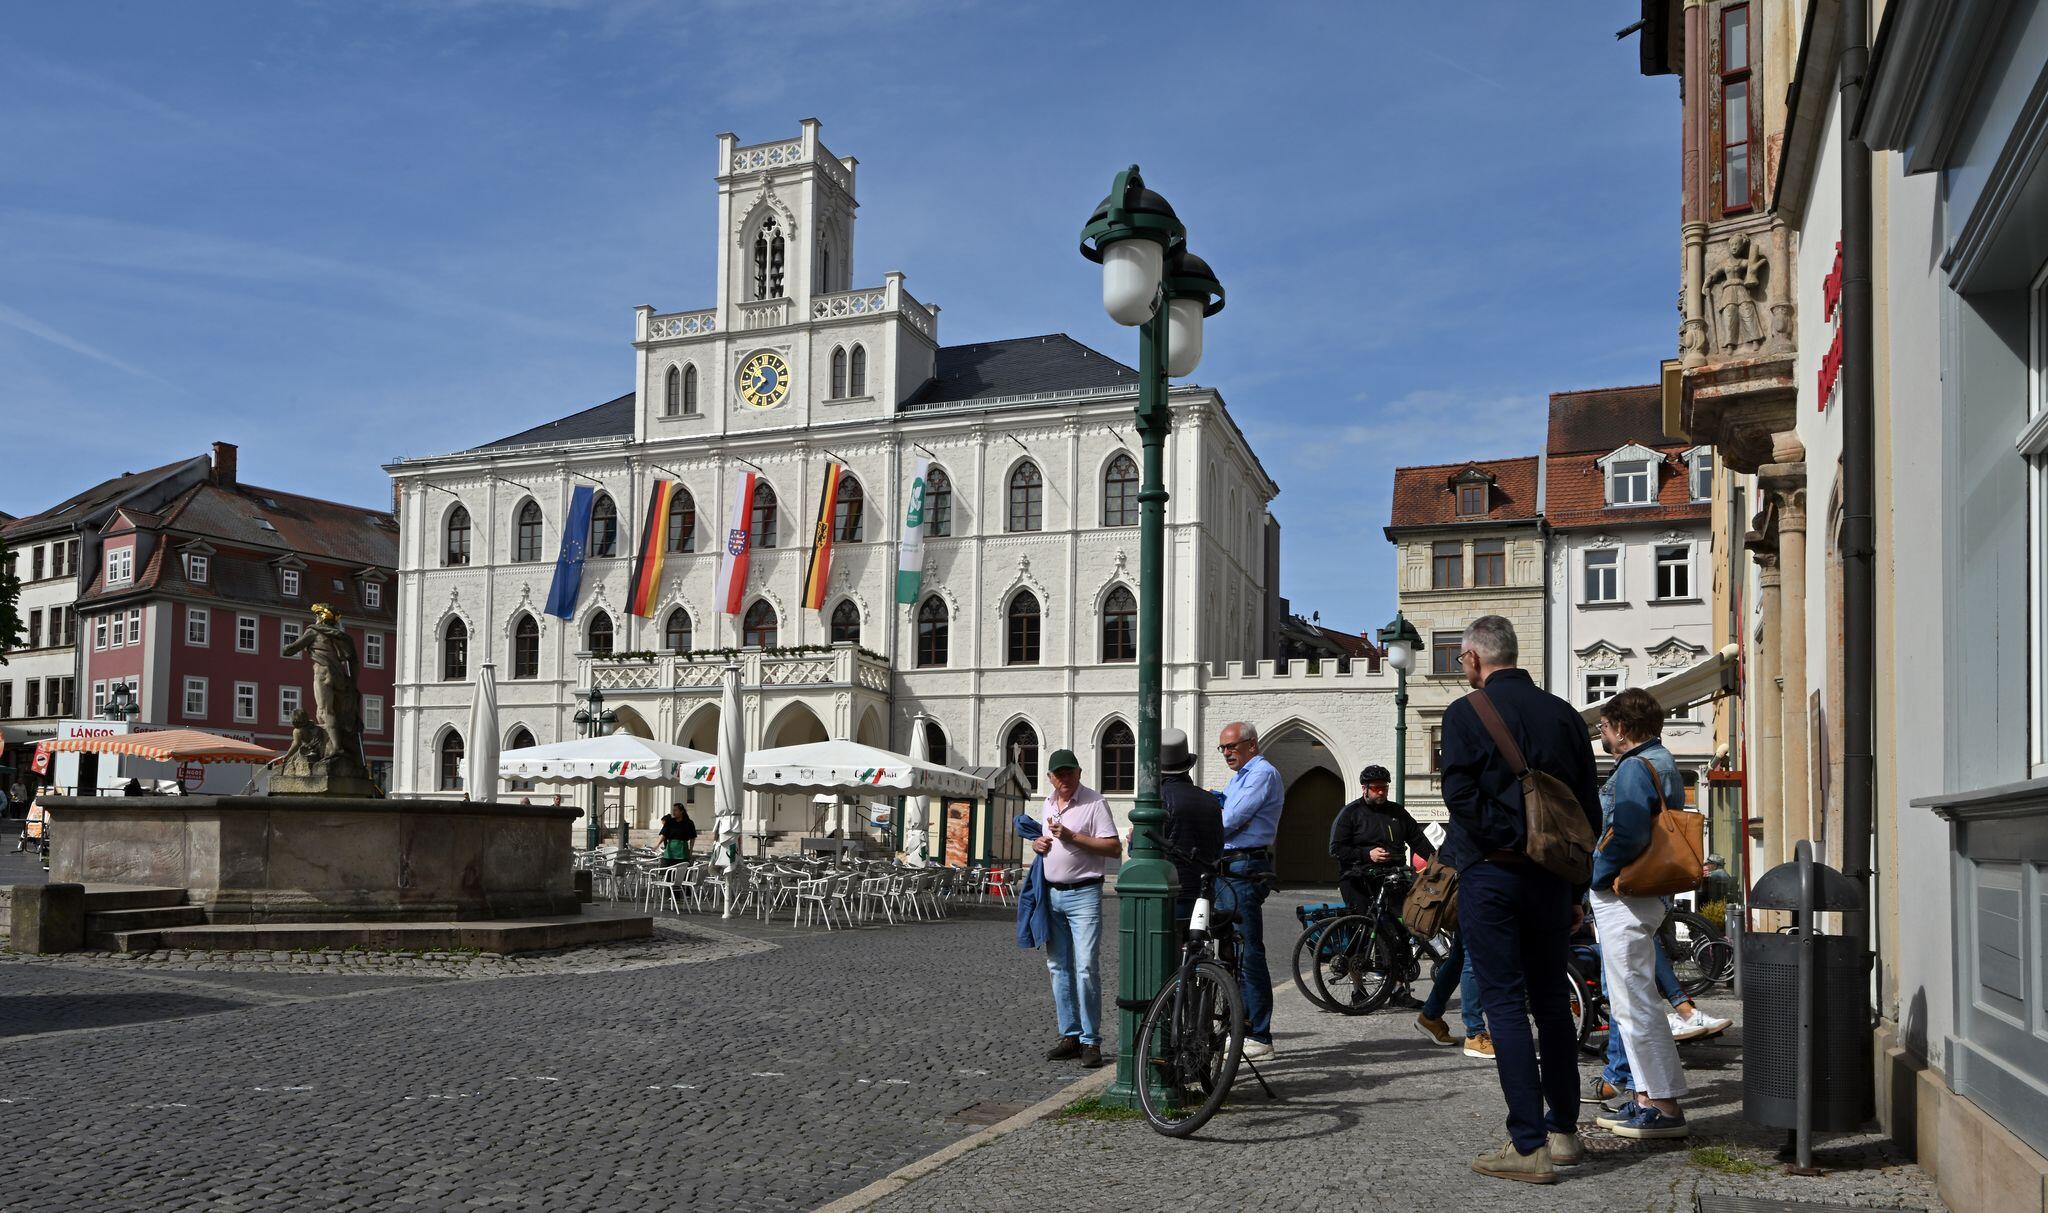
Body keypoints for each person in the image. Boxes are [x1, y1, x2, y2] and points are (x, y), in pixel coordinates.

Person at [1439, 615, 1601, 1184]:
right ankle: (1564, 1132)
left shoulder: (1465, 713)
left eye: (1462, 659)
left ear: (1474, 658)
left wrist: (1507, 837)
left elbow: (1459, 795)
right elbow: (1587, 809)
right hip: (1553, 877)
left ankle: (1528, 1145)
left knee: (1505, 1004)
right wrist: (1574, 887)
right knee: (1553, 1002)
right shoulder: (1565, 715)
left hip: (1494, 873)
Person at [1587, 689, 1692, 1140]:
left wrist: (1596, 874)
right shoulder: (1662, 760)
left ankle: (1663, 1106)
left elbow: (1627, 833)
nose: (1603, 733)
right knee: (1635, 998)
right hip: (1649, 890)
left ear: (1623, 728)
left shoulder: (1634, 767)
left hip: (1626, 893)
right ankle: (1648, 1098)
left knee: (1633, 1003)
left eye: (1605, 726)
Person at [1032, 748, 1120, 1069]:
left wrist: (1072, 836)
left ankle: (1090, 1040)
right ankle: (1070, 1035)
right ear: (1050, 778)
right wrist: (1038, 844)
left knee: (1085, 967)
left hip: (1084, 894)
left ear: (1079, 773)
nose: (1065, 778)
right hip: (1052, 895)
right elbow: (1047, 843)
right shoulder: (1047, 804)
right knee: (1058, 967)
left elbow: (1114, 847)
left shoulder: (1095, 803)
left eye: (1070, 772)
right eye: (1059, 774)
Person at [1330, 764, 1435, 1007]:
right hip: (1357, 879)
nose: (1381, 792)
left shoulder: (1397, 812)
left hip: (1392, 878)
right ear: (1365, 788)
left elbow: (1418, 840)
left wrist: (1437, 861)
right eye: (1376, 788)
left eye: (1384, 788)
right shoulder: (1351, 813)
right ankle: (1358, 989)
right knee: (1363, 930)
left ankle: (1399, 990)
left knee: (1400, 932)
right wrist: (1367, 854)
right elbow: (1336, 849)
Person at [1215, 720, 1284, 1060]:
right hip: (1228, 866)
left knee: (1247, 950)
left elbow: (1229, 819)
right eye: (1223, 748)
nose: (1226, 753)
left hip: (1245, 866)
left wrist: (1205, 818)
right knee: (1230, 950)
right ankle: (1240, 1025)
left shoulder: (1262, 773)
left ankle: (1259, 1034)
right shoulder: (1239, 777)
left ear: (1252, 745)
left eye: (1232, 746)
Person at [1156, 727, 1223, 924]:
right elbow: (1218, 848)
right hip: (1203, 889)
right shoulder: (1210, 800)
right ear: (1187, 767)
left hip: (1168, 888)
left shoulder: (1157, 800)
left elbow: (1141, 851)